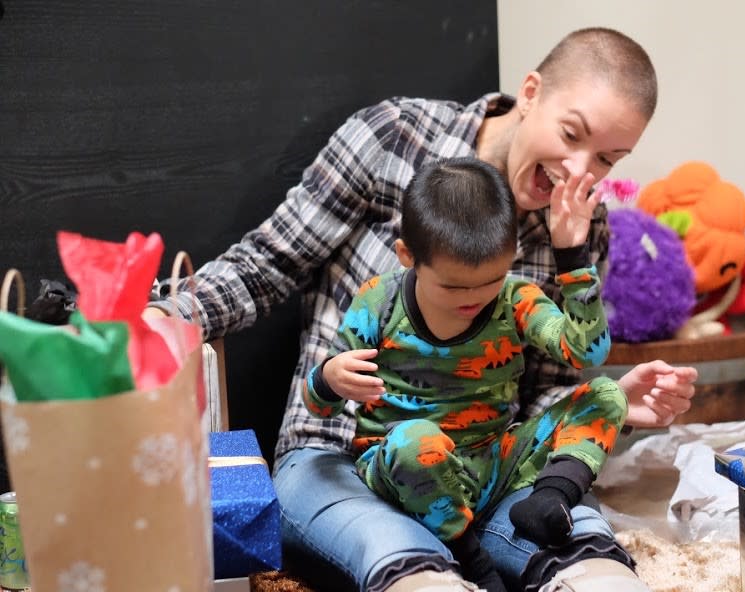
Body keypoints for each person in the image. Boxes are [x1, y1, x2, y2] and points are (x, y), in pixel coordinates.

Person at [148, 26, 698, 592]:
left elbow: (553, 384)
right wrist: (161, 318)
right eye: (571, 134)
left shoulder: (577, 226)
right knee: (409, 559)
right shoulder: (395, 138)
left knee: (585, 549)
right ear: (530, 92)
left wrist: (614, 407)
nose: (578, 169)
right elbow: (264, 265)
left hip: (485, 463)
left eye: (608, 158)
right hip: (341, 453)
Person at [305, 156, 626, 592]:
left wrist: (572, 257)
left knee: (606, 394)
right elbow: (317, 405)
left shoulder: (515, 299)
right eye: (454, 287)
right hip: (406, 464)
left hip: (493, 457)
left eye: (490, 280)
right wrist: (329, 378)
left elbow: (585, 350)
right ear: (407, 256)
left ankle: (551, 499)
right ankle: (472, 557)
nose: (473, 298)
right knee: (415, 441)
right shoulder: (378, 303)